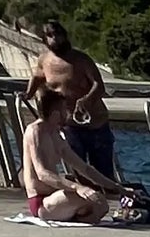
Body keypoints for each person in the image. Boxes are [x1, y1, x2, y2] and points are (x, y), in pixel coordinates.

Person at [21, 86, 130, 222]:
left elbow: (84, 168)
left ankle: (78, 216)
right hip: (42, 201)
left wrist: (117, 187)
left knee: (100, 204)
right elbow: (43, 174)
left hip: (56, 197)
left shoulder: (56, 135)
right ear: (55, 113)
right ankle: (78, 214)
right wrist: (78, 187)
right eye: (64, 109)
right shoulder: (34, 132)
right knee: (95, 201)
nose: (68, 112)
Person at [27, 21, 117, 183]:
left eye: (58, 35)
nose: (55, 39)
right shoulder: (44, 60)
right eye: (51, 36)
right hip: (69, 124)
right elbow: (37, 77)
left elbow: (99, 85)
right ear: (45, 39)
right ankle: (86, 201)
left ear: (65, 36)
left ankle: (111, 197)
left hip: (95, 123)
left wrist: (86, 100)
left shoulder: (81, 59)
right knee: (79, 172)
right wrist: (27, 94)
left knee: (104, 171)